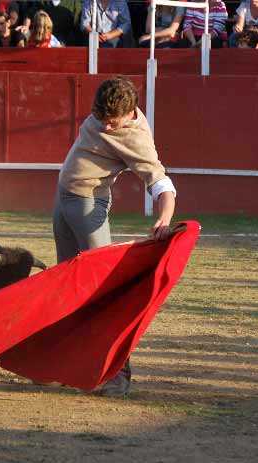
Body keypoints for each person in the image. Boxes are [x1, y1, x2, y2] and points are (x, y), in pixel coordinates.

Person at [52, 76, 176, 397]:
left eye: (112, 122)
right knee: (69, 288)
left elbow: (162, 183)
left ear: (129, 112)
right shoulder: (104, 112)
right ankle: (71, 364)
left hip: (89, 206)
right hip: (63, 202)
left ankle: (119, 373)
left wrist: (164, 218)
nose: (106, 127)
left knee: (104, 292)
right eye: (101, 120)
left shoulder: (136, 139)